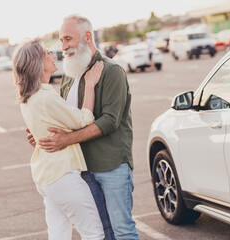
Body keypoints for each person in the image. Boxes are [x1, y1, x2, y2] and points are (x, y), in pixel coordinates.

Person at [27, 14, 140, 240]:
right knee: (103, 232)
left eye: (68, 39)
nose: (63, 46)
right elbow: (67, 120)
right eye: (61, 40)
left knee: (122, 230)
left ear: (88, 37)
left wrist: (65, 140)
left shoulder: (111, 71)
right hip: (83, 169)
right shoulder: (69, 75)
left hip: (112, 166)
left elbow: (109, 121)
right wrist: (42, 135)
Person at [13, 37, 105, 240]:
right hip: (62, 176)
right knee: (94, 233)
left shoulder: (28, 98)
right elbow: (83, 120)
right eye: (47, 53)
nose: (53, 55)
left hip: (47, 177)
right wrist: (90, 85)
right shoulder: (45, 97)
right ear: (37, 63)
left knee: (58, 234)